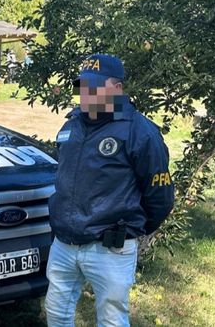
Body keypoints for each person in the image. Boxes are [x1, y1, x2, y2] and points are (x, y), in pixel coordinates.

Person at [45, 54, 174, 327]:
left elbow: (159, 197)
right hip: (65, 244)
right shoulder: (71, 125)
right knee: (56, 313)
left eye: (94, 86)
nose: (86, 93)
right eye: (82, 86)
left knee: (112, 320)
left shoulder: (140, 132)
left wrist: (130, 230)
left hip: (109, 248)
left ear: (117, 88)